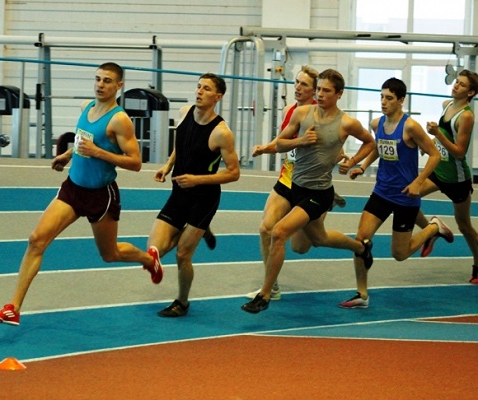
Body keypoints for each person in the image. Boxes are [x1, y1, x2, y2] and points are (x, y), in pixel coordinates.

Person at [0, 62, 163, 326]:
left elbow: (136, 162)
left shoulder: (119, 120)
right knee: (36, 240)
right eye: (98, 79)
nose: (100, 85)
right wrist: (68, 155)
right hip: (73, 189)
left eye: (107, 81)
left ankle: (148, 259)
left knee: (110, 254)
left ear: (119, 85)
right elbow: (84, 141)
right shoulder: (86, 107)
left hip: (100, 195)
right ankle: (13, 308)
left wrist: (98, 152)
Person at [241, 68, 376, 314]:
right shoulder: (302, 113)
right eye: (319, 89)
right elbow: (281, 143)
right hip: (293, 186)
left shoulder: (347, 123)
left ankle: (265, 294)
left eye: (326, 91)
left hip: (318, 193)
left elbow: (370, 142)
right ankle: (360, 248)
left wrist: (353, 161)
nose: (320, 94)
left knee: (279, 233)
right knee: (318, 239)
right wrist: (300, 141)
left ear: (339, 94)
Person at [338, 78, 453, 309]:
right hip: (382, 191)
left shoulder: (410, 127)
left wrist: (418, 182)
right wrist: (362, 166)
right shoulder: (377, 123)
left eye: (389, 98)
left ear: (401, 100)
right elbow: (379, 147)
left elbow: (435, 155)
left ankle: (433, 228)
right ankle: (362, 294)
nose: (383, 102)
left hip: (405, 196)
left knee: (399, 254)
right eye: (382, 97)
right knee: (361, 240)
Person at [148, 72, 240, 317]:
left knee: (182, 254)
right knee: (155, 249)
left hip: (204, 199)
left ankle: (182, 302)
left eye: (206, 89)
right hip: (179, 193)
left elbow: (234, 173)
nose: (199, 91)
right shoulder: (185, 112)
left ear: (217, 97)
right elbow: (182, 144)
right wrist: (168, 165)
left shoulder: (221, 133)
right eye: (199, 86)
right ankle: (198, 229)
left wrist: (197, 179)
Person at [411, 69, 478, 283]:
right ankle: (431, 230)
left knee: (464, 226)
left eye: (462, 84)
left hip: (457, 179)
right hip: (438, 171)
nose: (456, 85)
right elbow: (444, 139)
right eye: (456, 82)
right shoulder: (446, 105)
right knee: (406, 196)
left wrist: (437, 133)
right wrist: (428, 145)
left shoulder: (466, 116)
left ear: (471, 93)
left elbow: (459, 152)